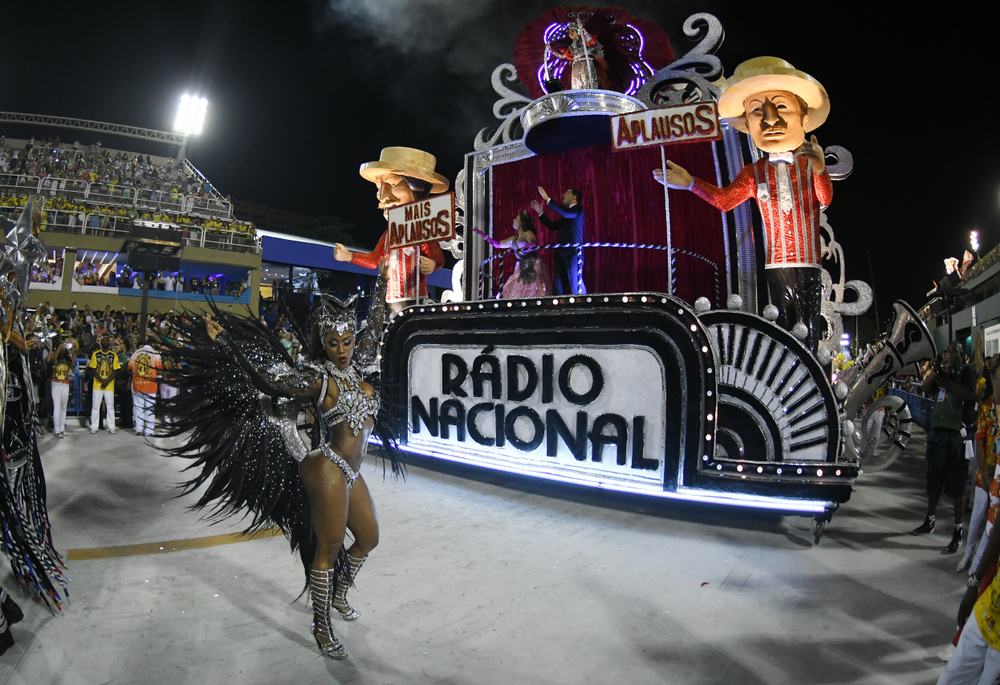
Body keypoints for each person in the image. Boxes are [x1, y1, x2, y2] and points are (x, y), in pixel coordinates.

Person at [160, 264, 395, 661]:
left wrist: (386, 276)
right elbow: (272, 379)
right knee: (330, 547)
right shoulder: (317, 379)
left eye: (347, 340)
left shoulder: (360, 365)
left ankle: (338, 594)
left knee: (369, 538)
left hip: (352, 472)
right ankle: (321, 626)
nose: (342, 348)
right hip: (328, 467)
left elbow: (375, 320)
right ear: (324, 342)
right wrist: (228, 345)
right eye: (334, 342)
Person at [656, 57, 831, 351]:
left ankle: (813, 385)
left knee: (809, 328)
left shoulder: (807, 166)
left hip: (808, 265)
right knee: (786, 330)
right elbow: (725, 201)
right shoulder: (753, 172)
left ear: (804, 118)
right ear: (748, 125)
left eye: (782, 107)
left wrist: (820, 170)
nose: (770, 119)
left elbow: (824, 199)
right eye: (757, 111)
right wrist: (690, 182)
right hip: (775, 266)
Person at [333, 147, 447, 313]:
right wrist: (349, 256)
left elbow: (438, 256)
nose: (382, 196)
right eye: (380, 187)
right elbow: (374, 260)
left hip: (414, 300)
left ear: (418, 190)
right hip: (390, 299)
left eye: (392, 184)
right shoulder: (389, 236)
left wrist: (432, 264)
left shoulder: (421, 231)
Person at [915, 342, 978, 552]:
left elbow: (971, 394)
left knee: (956, 486)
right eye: (948, 353)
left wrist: (949, 384)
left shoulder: (966, 372)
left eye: (954, 353)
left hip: (955, 436)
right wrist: (938, 373)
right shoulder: (943, 373)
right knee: (933, 481)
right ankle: (930, 520)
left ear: (962, 355)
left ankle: (958, 529)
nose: (950, 356)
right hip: (937, 434)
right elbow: (924, 388)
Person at [476, 211, 553, 298]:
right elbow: (497, 244)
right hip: (521, 267)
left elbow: (533, 244)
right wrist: (482, 234)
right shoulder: (514, 239)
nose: (513, 220)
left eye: (517, 218)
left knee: (532, 291)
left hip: (532, 265)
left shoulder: (528, 233)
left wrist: (520, 250)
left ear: (522, 222)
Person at [531, 186, 586, 295]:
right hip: (560, 253)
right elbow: (552, 226)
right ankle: (558, 308)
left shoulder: (579, 210)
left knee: (576, 284)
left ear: (574, 197)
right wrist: (541, 213)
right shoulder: (565, 217)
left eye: (567, 192)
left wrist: (548, 199)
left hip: (573, 253)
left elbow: (566, 213)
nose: (563, 195)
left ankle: (584, 307)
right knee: (558, 286)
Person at [88, 334, 120, 434]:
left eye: (107, 341)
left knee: (110, 406)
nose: (105, 342)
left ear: (109, 343)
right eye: (104, 341)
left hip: (109, 385)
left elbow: (116, 370)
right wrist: (102, 380)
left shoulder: (113, 355)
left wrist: (108, 380)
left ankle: (111, 426)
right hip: (98, 384)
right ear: (101, 343)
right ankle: (94, 426)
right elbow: (93, 368)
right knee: (95, 406)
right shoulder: (96, 354)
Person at [128, 341, 161, 436]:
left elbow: (129, 368)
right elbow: (159, 369)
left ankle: (139, 429)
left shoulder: (136, 353)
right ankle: (149, 430)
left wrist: (136, 375)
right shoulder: (155, 354)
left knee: (138, 407)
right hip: (150, 385)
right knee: (149, 408)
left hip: (138, 384)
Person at [47, 338, 76, 438]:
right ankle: (57, 430)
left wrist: (73, 354)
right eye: (62, 347)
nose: (64, 349)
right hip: (56, 383)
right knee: (57, 407)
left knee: (64, 408)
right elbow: (51, 361)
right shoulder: (56, 357)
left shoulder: (67, 357)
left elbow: (73, 365)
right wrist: (58, 349)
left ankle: (62, 428)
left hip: (65, 384)